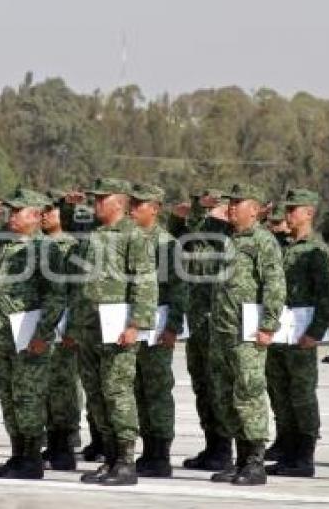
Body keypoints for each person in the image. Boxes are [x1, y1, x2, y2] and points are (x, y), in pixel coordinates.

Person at [67, 178, 158, 487]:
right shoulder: (95, 235)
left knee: (117, 392)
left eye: (101, 199)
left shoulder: (133, 235)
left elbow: (144, 282)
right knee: (96, 395)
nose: (95, 204)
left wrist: (136, 324)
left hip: (118, 327)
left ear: (119, 202)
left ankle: (125, 460)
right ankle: (109, 456)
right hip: (90, 327)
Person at [208, 183, 286, 486]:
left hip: (248, 332)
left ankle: (255, 462)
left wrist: (268, 325)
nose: (230, 208)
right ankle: (239, 459)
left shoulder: (263, 241)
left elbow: (274, 285)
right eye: (230, 204)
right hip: (223, 331)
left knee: (249, 393)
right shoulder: (227, 239)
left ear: (253, 210)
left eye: (237, 204)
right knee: (225, 395)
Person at [0, 188, 56, 480]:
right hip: (2, 338)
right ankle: (18, 454)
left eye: (17, 212)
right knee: (9, 399)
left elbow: (55, 297)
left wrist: (42, 333)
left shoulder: (46, 250)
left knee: (28, 399)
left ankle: (32, 459)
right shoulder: (4, 248)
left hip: (28, 338)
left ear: (35, 215)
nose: (11, 217)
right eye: (10, 212)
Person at [264, 189, 329, 477]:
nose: (288, 214)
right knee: (280, 394)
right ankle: (288, 451)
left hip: (302, 334)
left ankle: (304, 457)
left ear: (309, 213)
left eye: (294, 209)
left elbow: (327, 296)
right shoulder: (281, 246)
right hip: (280, 334)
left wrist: (315, 333)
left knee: (302, 395)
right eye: (287, 209)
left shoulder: (316, 251)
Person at [129, 183, 187, 478]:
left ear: (155, 208)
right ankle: (148, 449)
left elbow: (179, 289)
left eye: (140, 204)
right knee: (137, 389)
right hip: (131, 326)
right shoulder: (128, 239)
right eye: (132, 203)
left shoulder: (167, 244)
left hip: (158, 326)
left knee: (157, 390)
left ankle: (161, 453)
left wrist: (173, 327)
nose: (133, 208)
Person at [39, 191, 80, 470]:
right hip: (39, 322)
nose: (45, 215)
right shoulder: (37, 245)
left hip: (64, 323)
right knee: (44, 388)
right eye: (41, 211)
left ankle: (65, 446)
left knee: (63, 387)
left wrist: (73, 326)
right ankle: (52, 443)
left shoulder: (71, 245)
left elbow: (77, 290)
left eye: (51, 210)